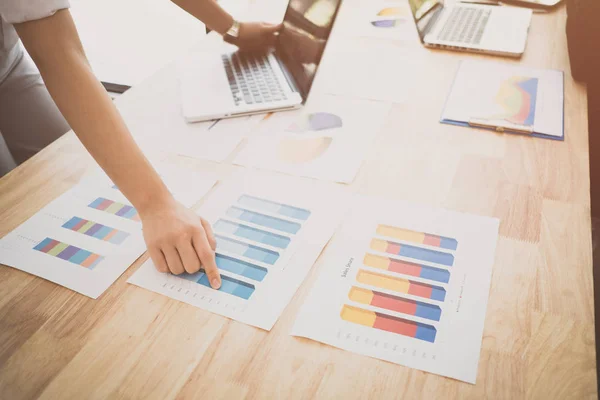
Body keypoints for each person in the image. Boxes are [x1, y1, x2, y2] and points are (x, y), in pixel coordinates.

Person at [0, 0, 281, 287]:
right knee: (9, 206)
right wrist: (156, 205)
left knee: (61, 170)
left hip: (7, 58)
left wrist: (232, 29)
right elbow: (58, 54)